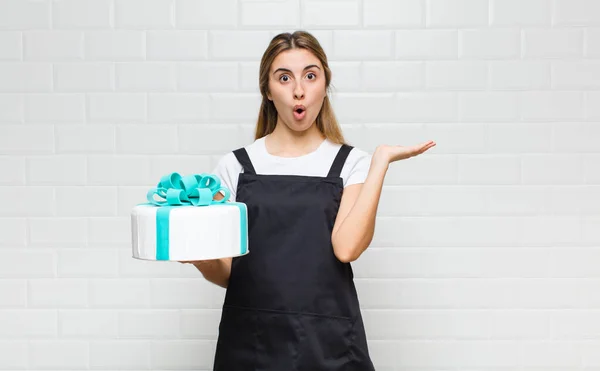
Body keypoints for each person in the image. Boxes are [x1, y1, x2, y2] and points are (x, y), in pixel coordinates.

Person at [182, 30, 435, 370]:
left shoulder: (351, 164)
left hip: (328, 346)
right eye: (284, 77)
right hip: (251, 345)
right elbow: (231, 273)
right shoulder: (235, 167)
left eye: (310, 76)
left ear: (324, 86)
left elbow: (346, 249)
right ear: (268, 91)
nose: (298, 90)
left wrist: (379, 163)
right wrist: (197, 255)